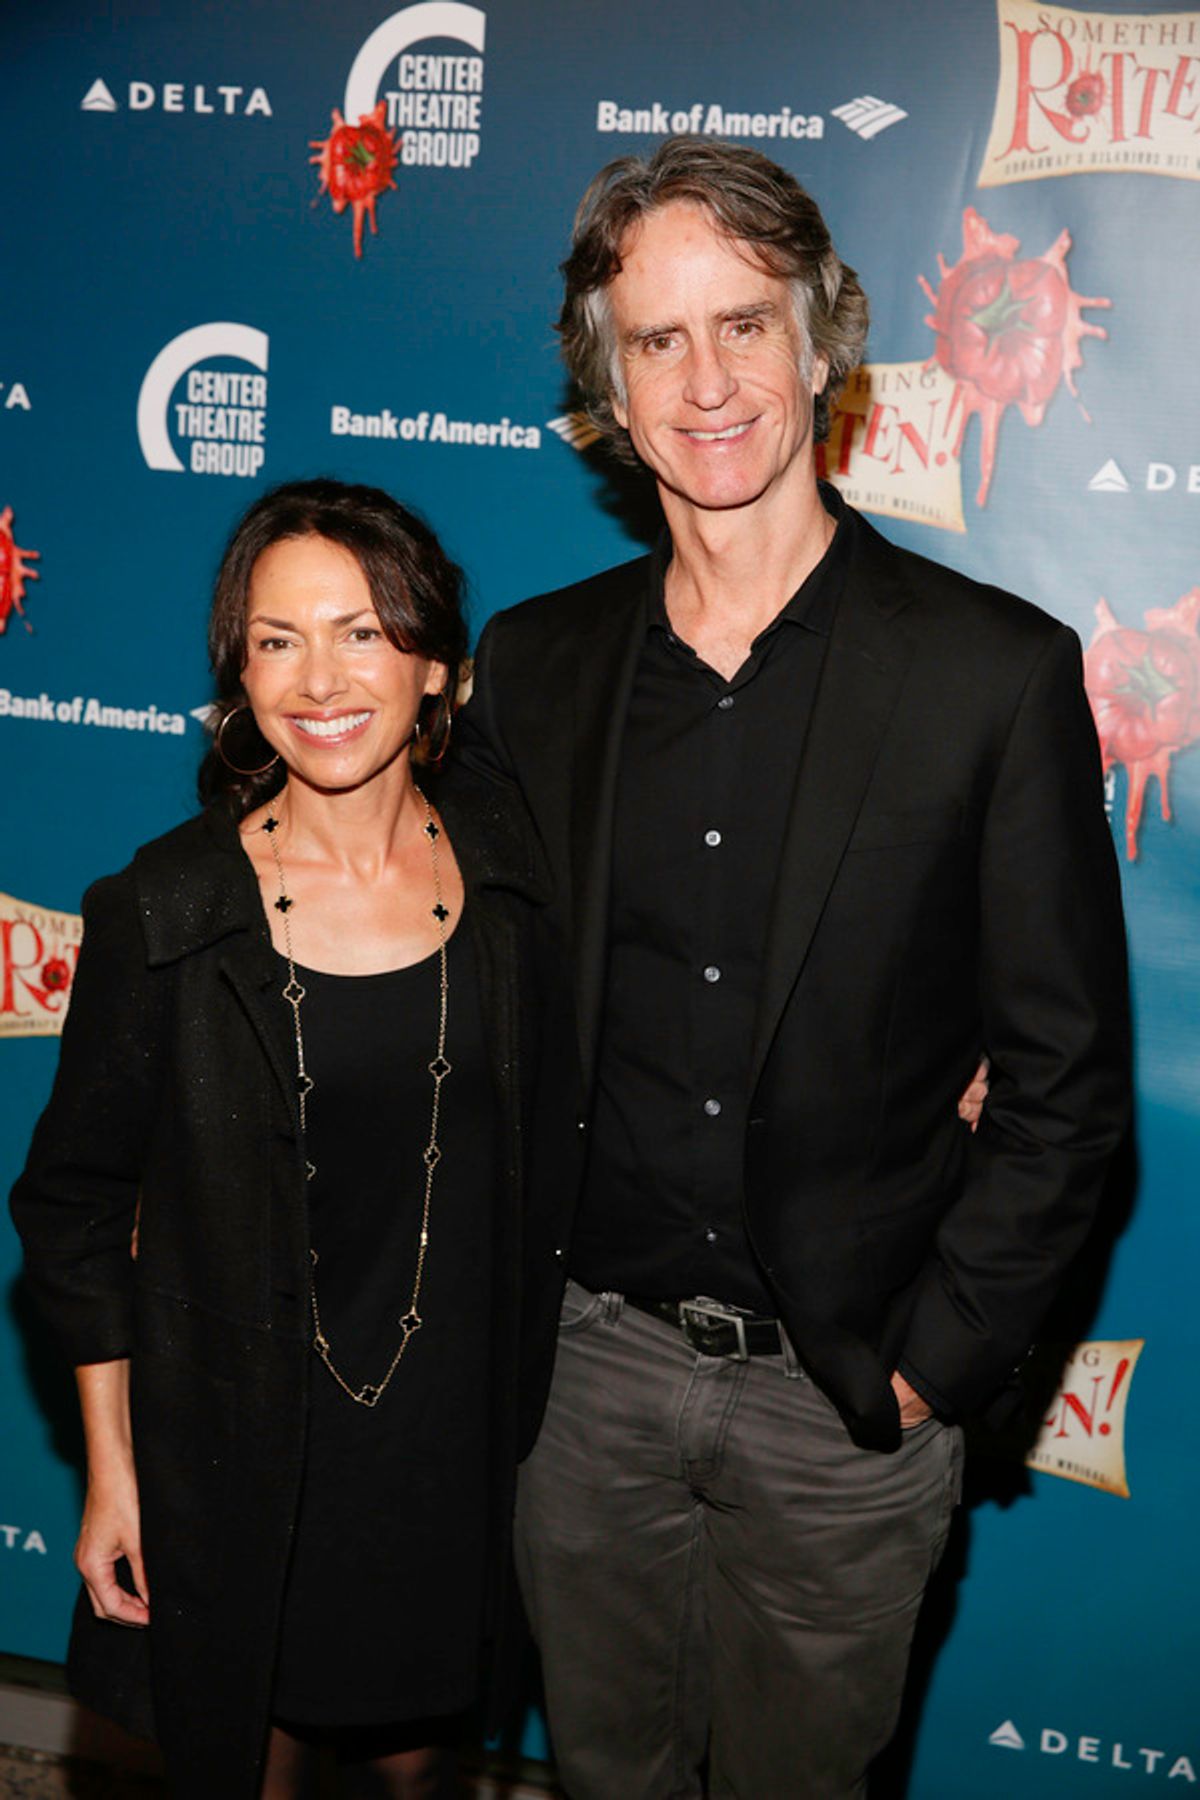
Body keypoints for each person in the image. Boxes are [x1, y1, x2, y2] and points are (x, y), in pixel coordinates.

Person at [456, 138, 1131, 1797]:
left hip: (843, 1406)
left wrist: (930, 1369)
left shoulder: (991, 676)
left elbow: (1068, 1089)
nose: (707, 382)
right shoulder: (533, 670)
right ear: (605, 389)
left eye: (745, 325)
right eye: (659, 341)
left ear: (823, 347)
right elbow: (463, 993)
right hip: (585, 1384)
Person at [10, 479, 570, 1800]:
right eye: (276, 639)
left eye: (363, 633)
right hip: (236, 1459)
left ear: (435, 666)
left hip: (445, 1457)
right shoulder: (169, 910)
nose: (320, 677)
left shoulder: (510, 877)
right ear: (238, 672)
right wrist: (114, 1475)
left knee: (420, 1777)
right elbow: (71, 1211)